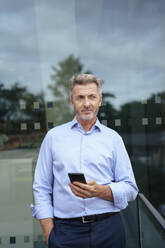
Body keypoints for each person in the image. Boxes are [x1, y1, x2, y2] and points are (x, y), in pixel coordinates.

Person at [31, 74, 138, 248]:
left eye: (92, 97)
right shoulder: (53, 137)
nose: (86, 103)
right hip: (66, 232)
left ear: (100, 100)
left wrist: (101, 191)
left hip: (109, 229)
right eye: (80, 97)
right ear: (72, 101)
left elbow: (131, 189)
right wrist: (49, 233)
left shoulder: (113, 139)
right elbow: (41, 187)